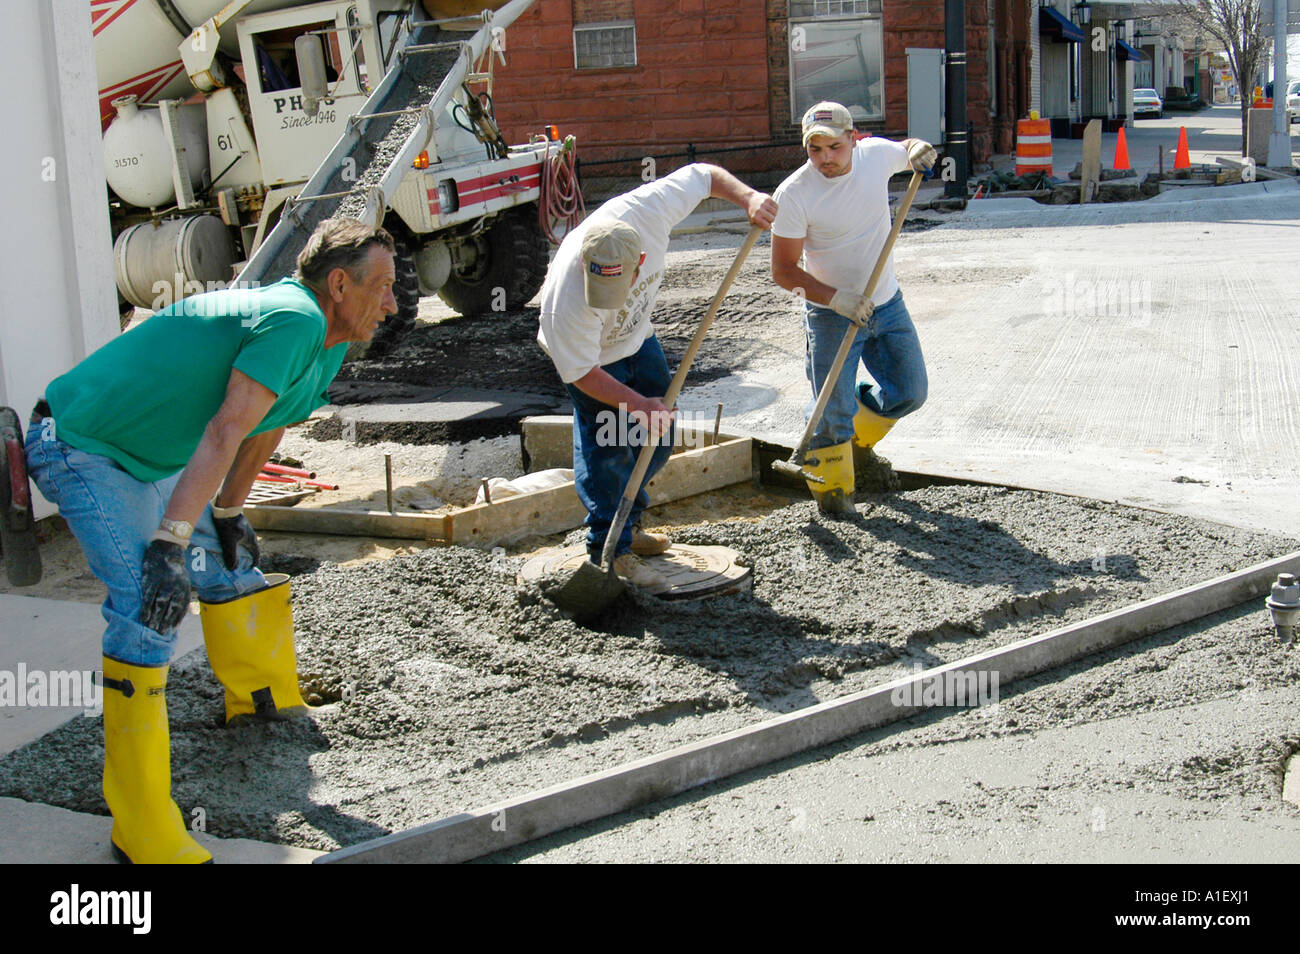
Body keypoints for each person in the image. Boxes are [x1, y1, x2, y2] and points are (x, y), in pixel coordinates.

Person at [24, 218, 396, 864]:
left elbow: (263, 428)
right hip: (82, 447)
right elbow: (225, 430)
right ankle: (139, 828)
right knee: (148, 604)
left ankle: (262, 703)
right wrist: (170, 545)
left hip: (147, 453)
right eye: (384, 286)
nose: (393, 302)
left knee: (229, 561)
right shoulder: (298, 319)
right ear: (339, 284)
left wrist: (226, 514)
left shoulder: (328, 341)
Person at [538, 164, 777, 592]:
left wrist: (749, 197)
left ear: (639, 262)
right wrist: (636, 406)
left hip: (637, 338)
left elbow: (705, 176)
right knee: (609, 445)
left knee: (660, 439)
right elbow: (581, 373)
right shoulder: (565, 301)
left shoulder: (649, 211)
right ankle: (610, 549)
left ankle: (631, 522)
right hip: (591, 363)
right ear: (583, 261)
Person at [770, 101, 937, 515]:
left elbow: (908, 149)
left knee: (910, 392)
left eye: (834, 147)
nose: (825, 158)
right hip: (831, 314)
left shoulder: (875, 156)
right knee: (831, 412)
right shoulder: (794, 194)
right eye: (815, 150)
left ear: (854, 138)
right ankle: (835, 497)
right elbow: (783, 271)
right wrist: (836, 299)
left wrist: (918, 149)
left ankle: (856, 447)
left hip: (886, 303)